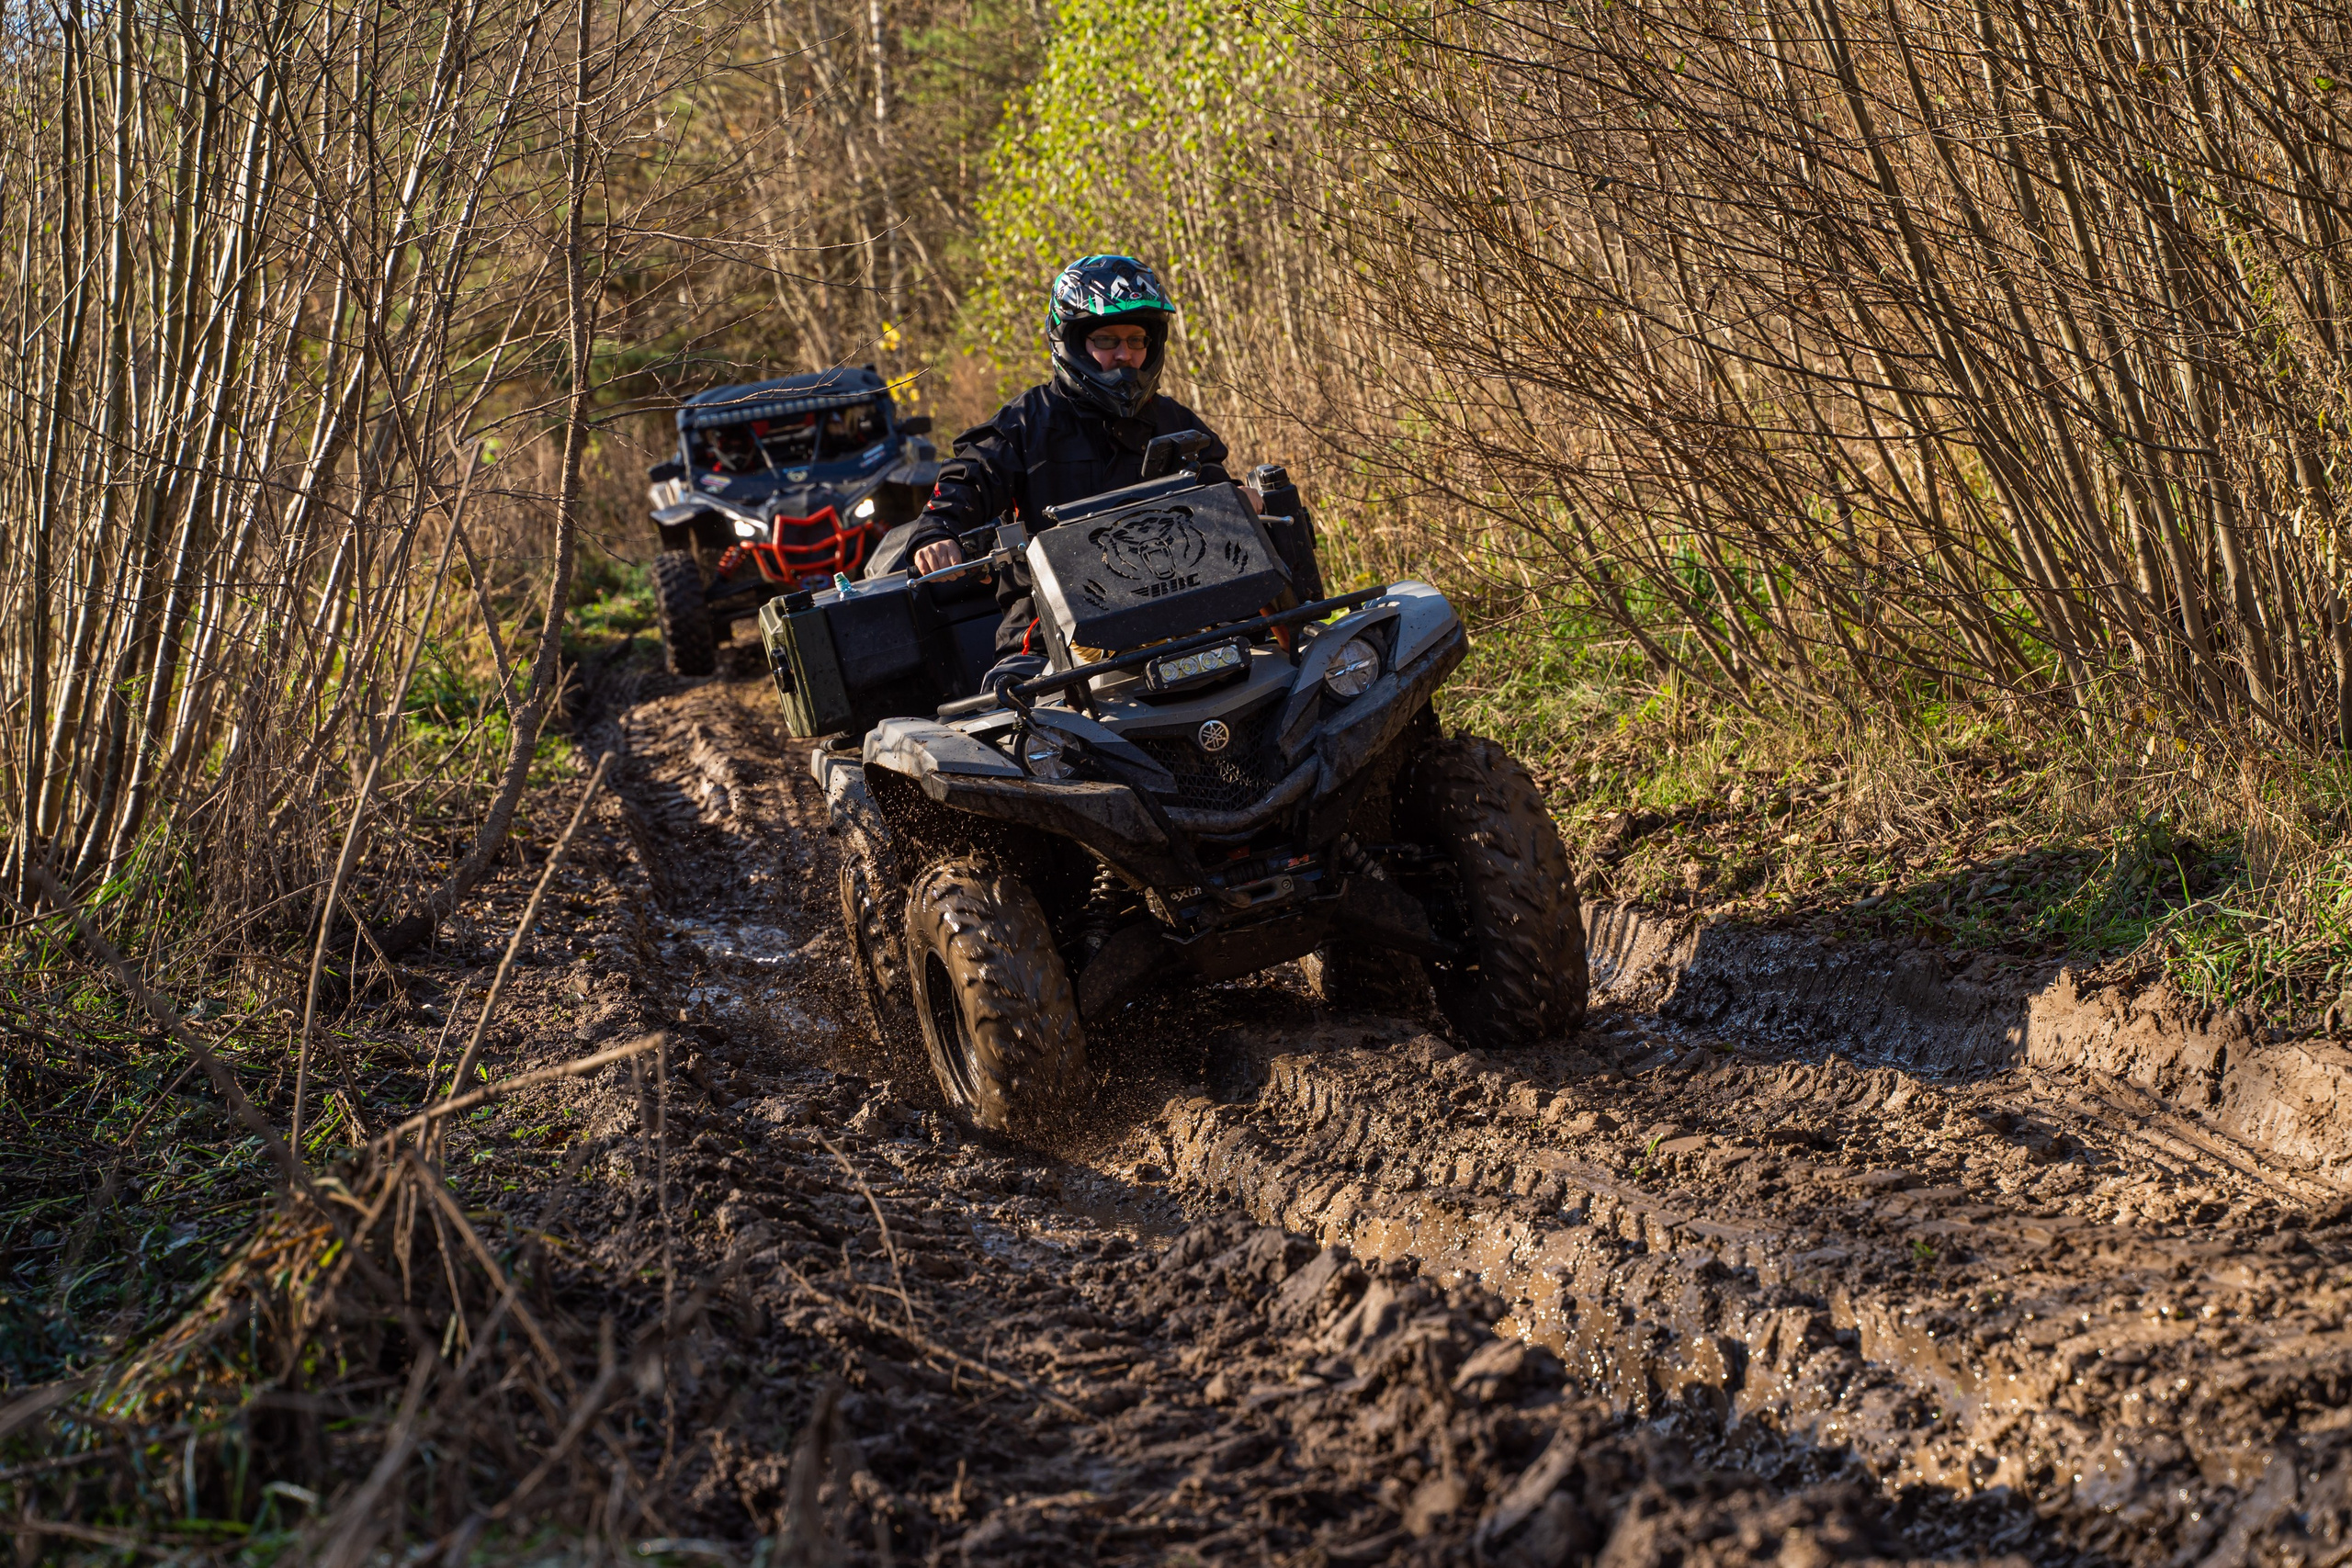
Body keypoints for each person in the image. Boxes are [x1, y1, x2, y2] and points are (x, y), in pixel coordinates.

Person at [901, 254, 1257, 683]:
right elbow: (965, 481)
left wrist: (1241, 498)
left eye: (1137, 340)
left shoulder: (1174, 421)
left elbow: (1216, 490)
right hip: (1053, 635)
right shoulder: (1024, 424)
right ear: (1071, 341)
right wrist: (937, 533)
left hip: (1184, 616)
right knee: (1015, 701)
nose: (1125, 354)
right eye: (1106, 340)